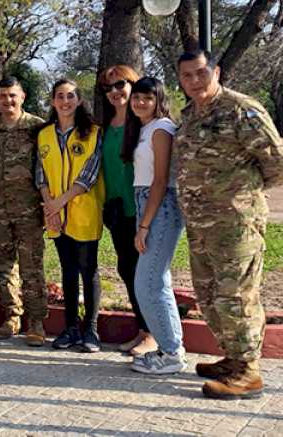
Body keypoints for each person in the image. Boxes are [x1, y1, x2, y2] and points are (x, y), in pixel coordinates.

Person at [174, 49, 283, 399]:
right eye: (187, 76)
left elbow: (276, 161)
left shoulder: (241, 109)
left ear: (216, 71)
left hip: (235, 223)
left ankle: (248, 371)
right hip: (201, 224)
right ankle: (233, 358)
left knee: (236, 295)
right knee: (208, 295)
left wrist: (241, 194)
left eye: (200, 73)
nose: (194, 81)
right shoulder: (190, 114)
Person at [122, 78, 186, 375]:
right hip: (145, 201)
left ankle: (171, 352)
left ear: (158, 99)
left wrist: (144, 226)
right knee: (156, 282)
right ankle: (170, 349)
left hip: (158, 205)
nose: (140, 103)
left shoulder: (162, 128)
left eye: (147, 98)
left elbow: (161, 180)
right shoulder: (145, 128)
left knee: (148, 284)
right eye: (136, 97)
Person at [36, 78, 105, 352]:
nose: (65, 101)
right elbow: (40, 174)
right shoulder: (44, 135)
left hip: (83, 212)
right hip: (55, 214)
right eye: (60, 96)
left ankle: (91, 329)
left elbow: (88, 175)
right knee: (67, 270)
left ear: (79, 100)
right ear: (53, 101)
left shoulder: (93, 132)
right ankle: (70, 328)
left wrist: (58, 204)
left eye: (71, 96)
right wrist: (49, 206)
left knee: (88, 270)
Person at [0, 77, 47, 346]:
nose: (8, 101)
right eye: (3, 96)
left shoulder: (37, 127)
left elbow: (46, 165)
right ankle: (12, 317)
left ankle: (37, 322)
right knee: (3, 266)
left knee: (32, 267)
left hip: (29, 210)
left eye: (13, 96)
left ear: (23, 96)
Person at [98, 64, 154, 356]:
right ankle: (143, 329)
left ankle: (154, 333)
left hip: (142, 211)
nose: (114, 92)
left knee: (146, 273)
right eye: (108, 88)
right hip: (117, 212)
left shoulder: (145, 124)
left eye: (120, 85)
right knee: (127, 269)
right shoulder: (107, 126)